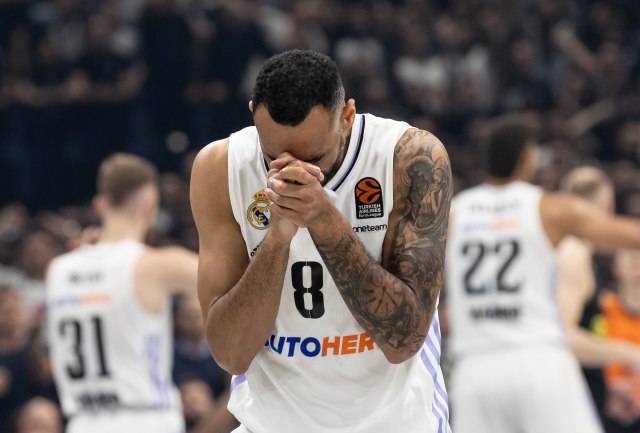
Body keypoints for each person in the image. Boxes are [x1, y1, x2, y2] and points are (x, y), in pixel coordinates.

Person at [190, 50, 452, 433]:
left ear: (347, 116)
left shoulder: (410, 157)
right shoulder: (220, 167)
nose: (295, 172)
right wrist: (277, 239)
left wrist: (324, 220)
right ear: (252, 116)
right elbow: (231, 355)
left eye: (314, 158)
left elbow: (403, 341)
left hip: (394, 423)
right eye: (274, 156)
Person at [445, 117, 640, 433]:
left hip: (474, 370)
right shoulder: (547, 208)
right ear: (528, 160)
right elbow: (618, 233)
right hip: (535, 358)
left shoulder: (454, 214)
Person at [46, 153, 198, 433]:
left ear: (100, 205)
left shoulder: (57, 270)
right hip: (146, 419)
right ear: (151, 204)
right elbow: (236, 282)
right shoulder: (157, 265)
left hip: (82, 422)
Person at [556, 167, 640, 416]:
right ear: (607, 207)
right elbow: (563, 337)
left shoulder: (566, 249)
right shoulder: (574, 251)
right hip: (560, 393)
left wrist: (606, 391)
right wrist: (630, 355)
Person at [599, 250, 640, 431]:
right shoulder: (600, 310)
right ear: (616, 267)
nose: (638, 271)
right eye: (633, 261)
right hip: (602, 413)